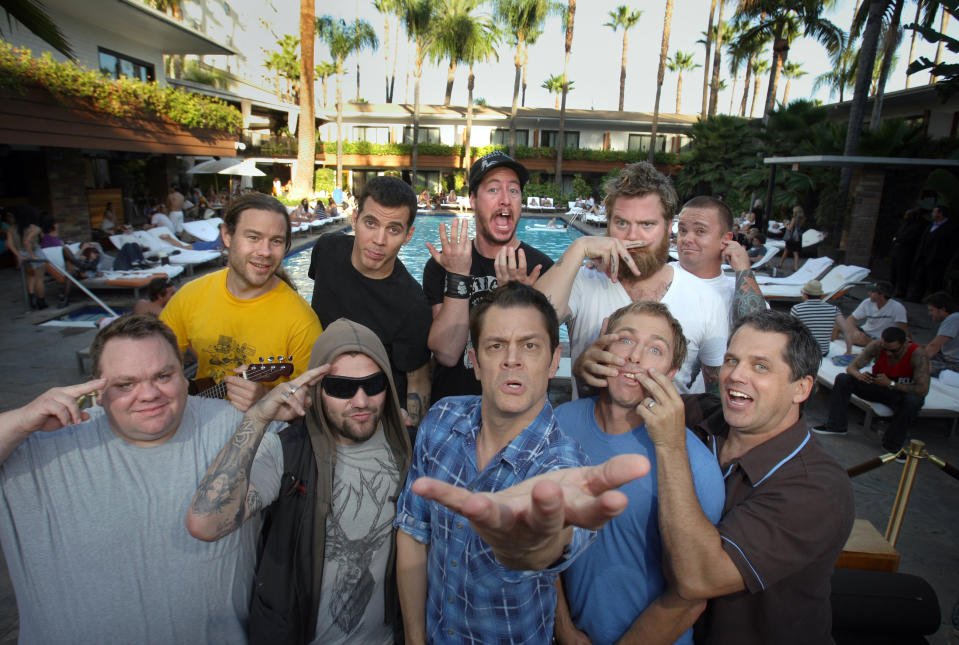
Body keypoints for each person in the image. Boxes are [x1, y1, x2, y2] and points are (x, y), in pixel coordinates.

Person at [0, 314, 286, 642]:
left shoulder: (242, 428)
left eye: (163, 376)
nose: (149, 394)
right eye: (126, 384)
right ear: (97, 390)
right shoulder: (38, 445)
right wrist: (20, 421)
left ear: (184, 374)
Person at [394, 282, 649, 645]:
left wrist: (534, 544)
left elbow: (553, 544)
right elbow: (414, 532)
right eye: (496, 346)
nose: (512, 359)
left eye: (529, 346)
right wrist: (415, 639)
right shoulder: (440, 421)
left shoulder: (563, 465)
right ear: (475, 362)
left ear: (552, 360)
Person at [186, 319, 412, 644]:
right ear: (317, 389)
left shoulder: (411, 450)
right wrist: (257, 417)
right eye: (342, 388)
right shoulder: (285, 451)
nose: (361, 401)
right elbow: (205, 524)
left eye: (373, 384)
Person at [642, 310, 854, 644]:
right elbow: (620, 403)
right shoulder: (703, 416)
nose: (735, 375)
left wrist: (670, 446)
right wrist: (592, 371)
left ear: (801, 388)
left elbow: (700, 578)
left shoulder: (816, 487)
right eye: (731, 360)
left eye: (760, 366)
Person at [553, 301, 724, 645]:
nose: (635, 357)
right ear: (603, 345)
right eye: (626, 340)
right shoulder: (559, 424)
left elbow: (690, 596)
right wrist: (566, 631)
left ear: (672, 373)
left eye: (655, 349)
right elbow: (539, 539)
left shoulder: (695, 465)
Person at [535, 162, 728, 394]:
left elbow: (716, 392)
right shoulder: (582, 282)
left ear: (668, 228)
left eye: (647, 224)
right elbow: (531, 322)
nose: (632, 236)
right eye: (621, 223)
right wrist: (579, 247)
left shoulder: (706, 298)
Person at [161, 193, 323, 411]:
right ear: (227, 236)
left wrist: (265, 397)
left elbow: (311, 405)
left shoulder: (302, 322)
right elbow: (153, 365)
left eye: (275, 241)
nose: (265, 252)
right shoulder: (189, 297)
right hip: (197, 415)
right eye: (253, 238)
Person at [424, 150, 553, 400]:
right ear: (472, 199)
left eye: (513, 190)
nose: (505, 200)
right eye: (493, 190)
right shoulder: (444, 264)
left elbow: (541, 359)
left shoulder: (540, 267)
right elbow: (447, 353)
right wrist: (458, 276)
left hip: (518, 411)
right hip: (455, 409)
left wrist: (519, 297)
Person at [308, 176, 432, 428]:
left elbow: (417, 380)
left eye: (393, 229)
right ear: (354, 219)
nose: (379, 240)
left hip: (371, 415)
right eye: (370, 223)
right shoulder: (326, 250)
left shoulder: (412, 303)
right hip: (318, 398)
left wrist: (410, 432)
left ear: (408, 235)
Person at [814, 326, 930, 454]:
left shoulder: (918, 354)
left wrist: (891, 383)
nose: (888, 353)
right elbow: (852, 367)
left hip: (900, 393)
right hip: (878, 386)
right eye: (885, 349)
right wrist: (859, 375)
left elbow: (923, 389)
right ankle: (836, 425)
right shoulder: (877, 345)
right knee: (843, 379)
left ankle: (892, 445)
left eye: (893, 350)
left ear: (904, 344)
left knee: (914, 401)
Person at [674, 196, 766, 326]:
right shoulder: (658, 277)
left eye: (700, 231)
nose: (687, 239)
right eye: (682, 230)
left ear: (726, 239)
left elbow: (757, 332)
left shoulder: (734, 291)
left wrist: (743, 269)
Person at [833, 280, 909, 358]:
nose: (869, 293)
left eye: (872, 292)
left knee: (860, 339)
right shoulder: (867, 302)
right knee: (836, 325)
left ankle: (852, 347)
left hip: (879, 338)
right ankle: (832, 347)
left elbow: (904, 331)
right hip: (864, 331)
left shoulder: (897, 308)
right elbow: (851, 319)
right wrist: (855, 331)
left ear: (881, 295)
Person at [910, 204, 957, 300]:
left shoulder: (949, 228)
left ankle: (935, 300)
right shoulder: (931, 226)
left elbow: (950, 246)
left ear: (940, 213)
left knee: (934, 282)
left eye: (934, 212)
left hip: (936, 260)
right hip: (924, 257)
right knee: (920, 278)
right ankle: (916, 296)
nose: (932, 214)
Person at [8, 206, 47, 309]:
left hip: (22, 255)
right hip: (34, 252)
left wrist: (19, 255)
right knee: (39, 279)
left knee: (30, 277)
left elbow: (10, 244)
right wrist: (33, 256)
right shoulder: (35, 228)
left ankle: (31, 300)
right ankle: (41, 302)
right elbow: (27, 242)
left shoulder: (12, 228)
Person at [789, 279, 840, 356]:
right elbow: (847, 330)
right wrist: (849, 351)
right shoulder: (833, 309)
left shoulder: (797, 309)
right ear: (821, 295)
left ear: (805, 295)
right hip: (823, 352)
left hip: (804, 352)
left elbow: (790, 331)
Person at [890, 208, 926, 298]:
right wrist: (897, 240)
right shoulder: (904, 224)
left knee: (903, 273)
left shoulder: (917, 226)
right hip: (897, 251)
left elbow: (912, 239)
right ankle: (891, 289)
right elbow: (897, 235)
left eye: (907, 215)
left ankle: (901, 292)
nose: (905, 216)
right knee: (894, 272)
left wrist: (900, 240)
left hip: (906, 253)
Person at [923, 291, 959, 375]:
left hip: (955, 364)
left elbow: (934, 346)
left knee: (919, 366)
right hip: (947, 358)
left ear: (942, 310)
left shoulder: (954, 318)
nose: (929, 314)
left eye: (931, 310)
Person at [777, 205, 804, 272]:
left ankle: (780, 264)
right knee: (796, 252)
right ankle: (796, 267)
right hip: (798, 237)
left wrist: (785, 225)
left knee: (786, 250)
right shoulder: (802, 219)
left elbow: (790, 228)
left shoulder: (794, 219)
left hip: (792, 237)